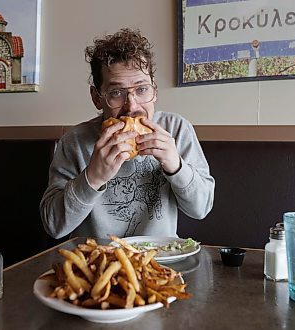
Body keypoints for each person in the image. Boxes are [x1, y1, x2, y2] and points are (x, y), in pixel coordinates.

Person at [40, 28, 214, 239]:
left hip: (160, 263)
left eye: (142, 90)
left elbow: (201, 209)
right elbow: (54, 226)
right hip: (97, 265)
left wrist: (176, 166)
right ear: (97, 97)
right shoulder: (75, 142)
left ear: (155, 91)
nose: (132, 106)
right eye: (116, 93)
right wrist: (93, 177)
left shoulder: (176, 129)